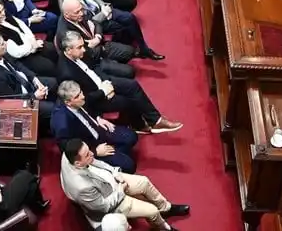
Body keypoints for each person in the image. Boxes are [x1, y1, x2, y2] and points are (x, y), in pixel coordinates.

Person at [58, 32, 181, 133]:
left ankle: (156, 121)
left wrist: (105, 82)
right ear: (68, 50)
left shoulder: (79, 52)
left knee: (132, 85)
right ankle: (138, 125)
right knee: (127, 101)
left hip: (101, 82)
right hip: (96, 98)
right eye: (79, 47)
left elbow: (94, 66)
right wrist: (104, 91)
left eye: (82, 46)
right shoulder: (67, 74)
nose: (84, 49)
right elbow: (83, 100)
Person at [60, 139, 189, 230]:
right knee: (152, 211)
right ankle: (164, 228)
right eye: (88, 154)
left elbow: (96, 162)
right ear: (77, 164)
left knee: (143, 181)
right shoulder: (82, 187)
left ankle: (166, 208)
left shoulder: (72, 154)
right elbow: (103, 207)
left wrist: (114, 172)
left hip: (111, 180)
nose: (92, 154)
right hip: (111, 200)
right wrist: (121, 190)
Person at [59, 0, 159, 60]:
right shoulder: (67, 5)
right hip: (98, 21)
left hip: (103, 9)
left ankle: (144, 48)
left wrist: (103, 6)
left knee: (129, 18)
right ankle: (123, 50)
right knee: (123, 26)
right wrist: (104, 14)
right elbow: (87, 22)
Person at [53, 80, 138, 173]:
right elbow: (70, 150)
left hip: (97, 130)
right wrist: (95, 152)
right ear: (68, 102)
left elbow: (89, 106)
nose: (83, 96)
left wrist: (97, 118)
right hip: (90, 146)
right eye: (77, 96)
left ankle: (116, 155)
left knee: (131, 136)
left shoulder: (76, 99)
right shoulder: (62, 124)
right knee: (129, 166)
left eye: (80, 92)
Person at [0, 33, 55, 119]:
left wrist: (34, 79)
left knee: (54, 83)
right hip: (22, 98)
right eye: (2, 44)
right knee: (52, 109)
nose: (6, 43)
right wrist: (34, 96)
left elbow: (18, 65)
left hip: (25, 82)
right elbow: (11, 99)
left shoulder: (0, 53)